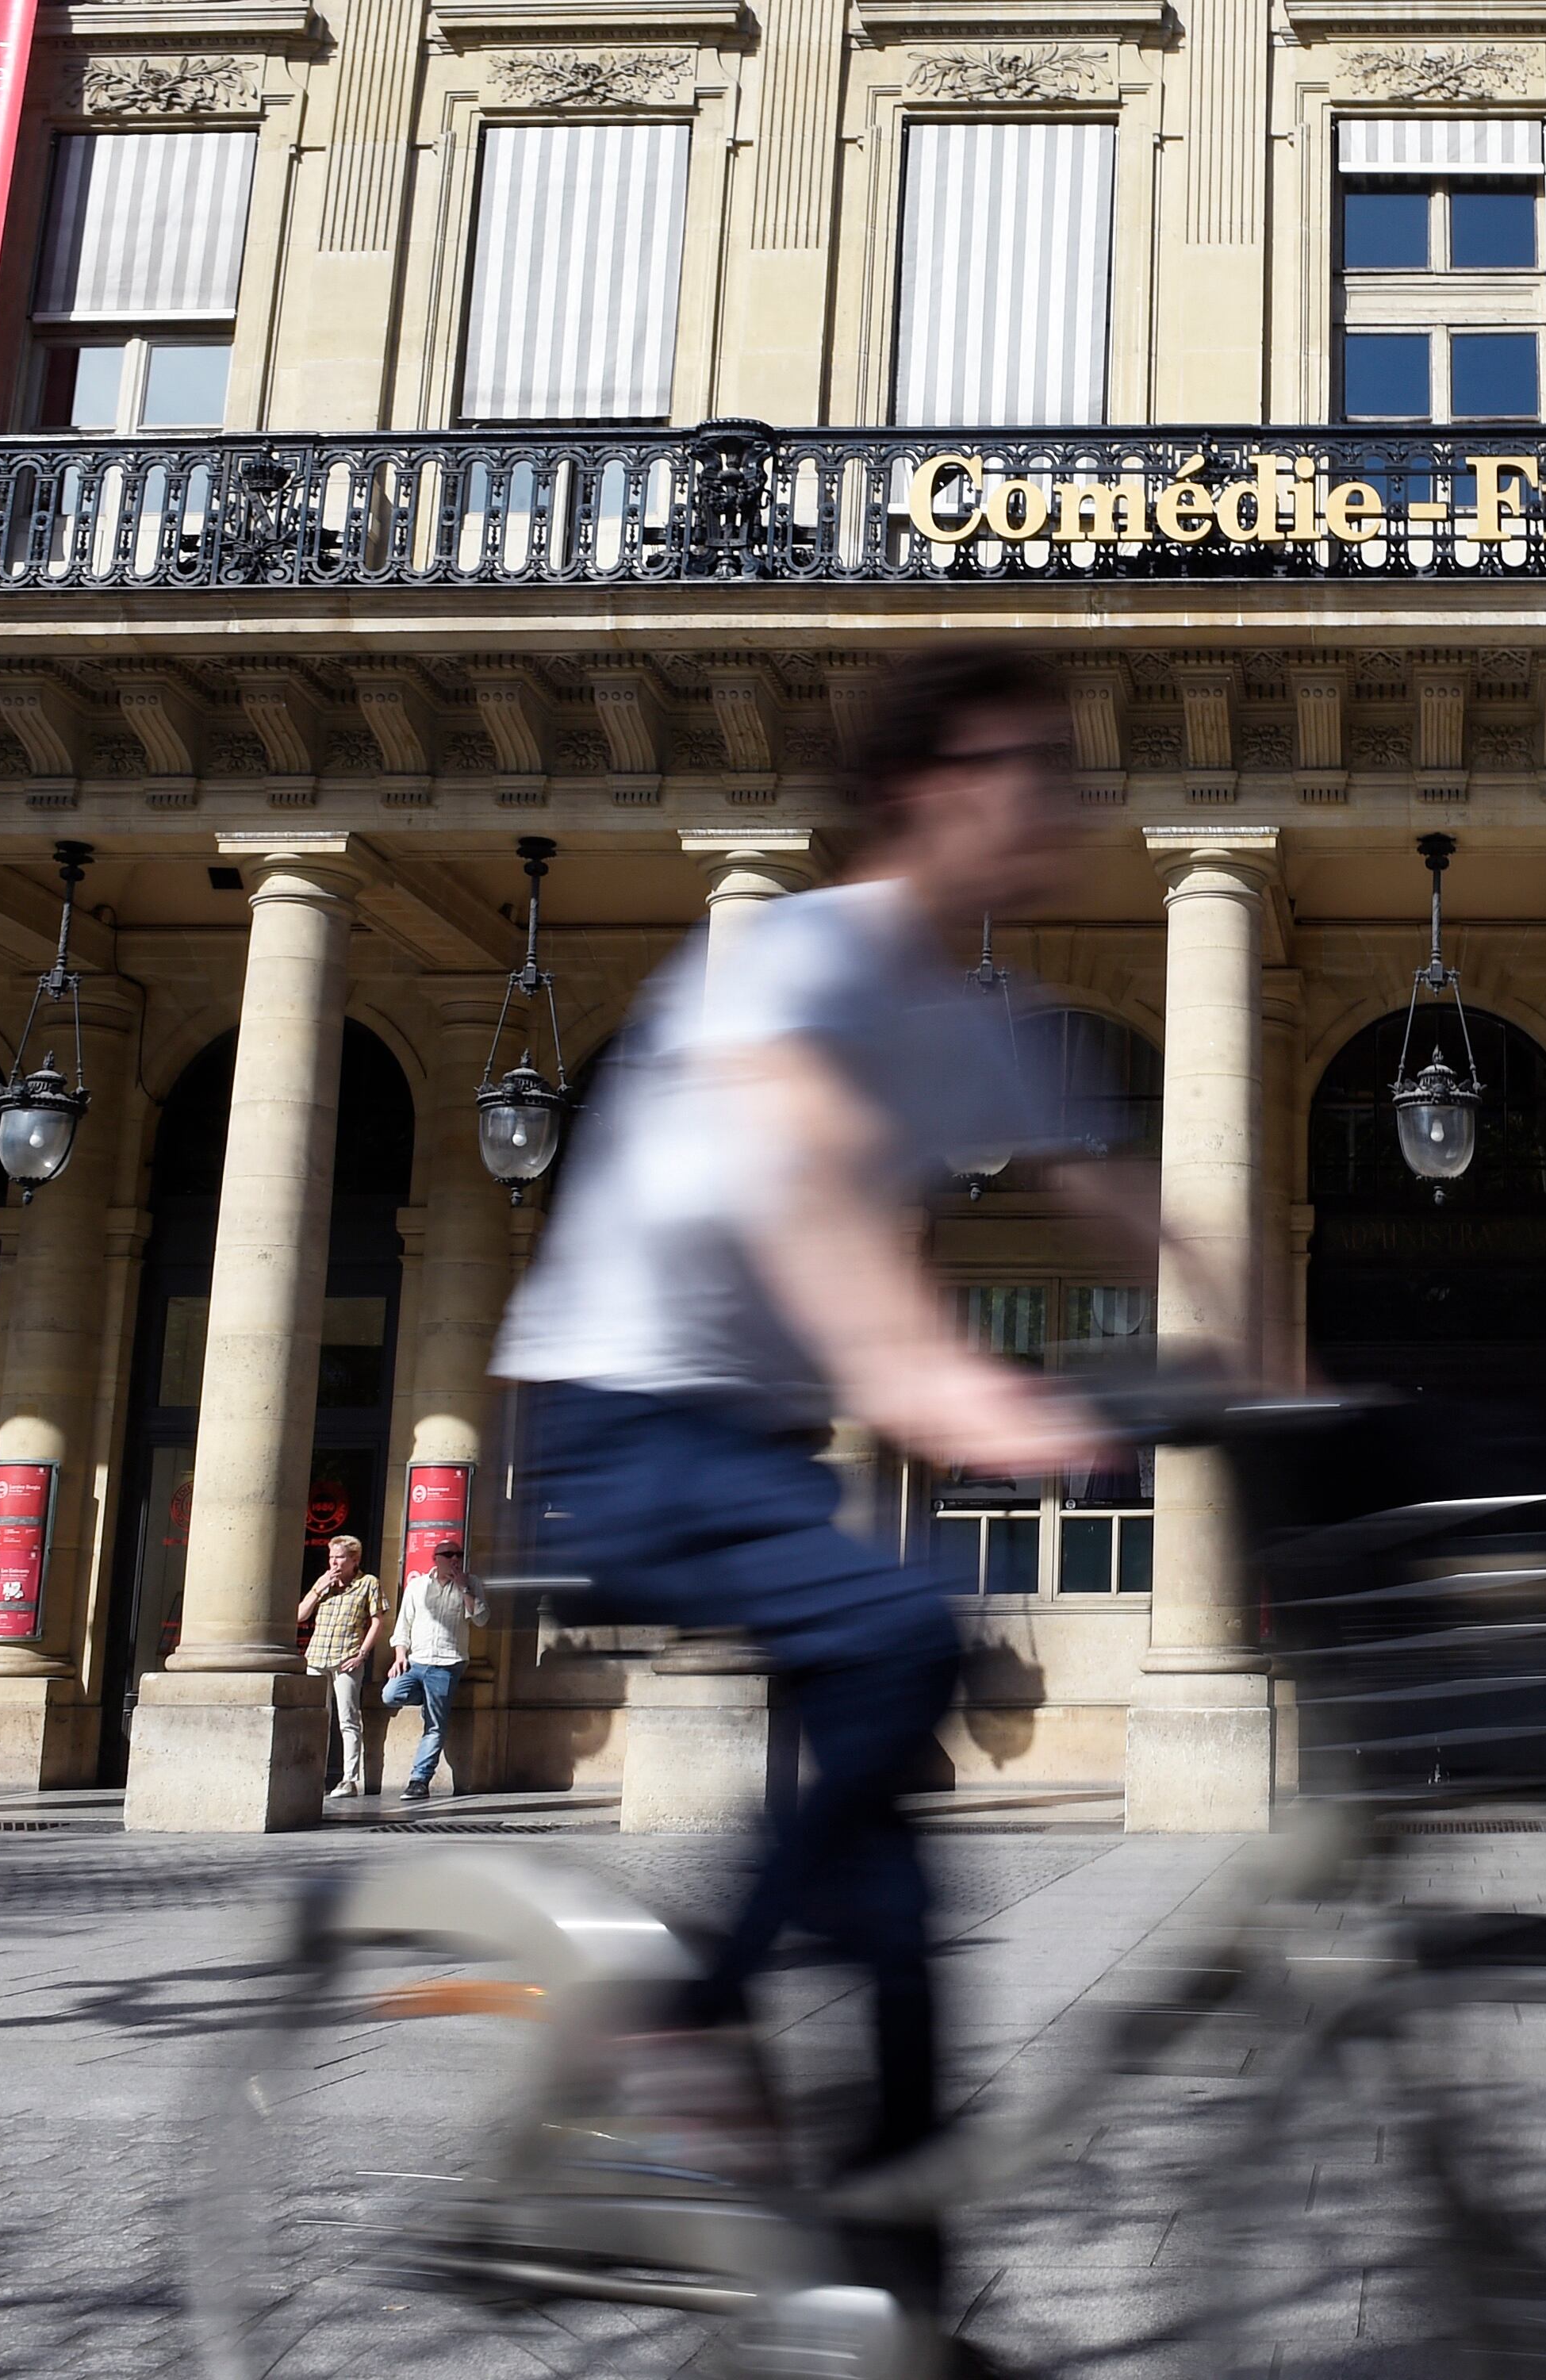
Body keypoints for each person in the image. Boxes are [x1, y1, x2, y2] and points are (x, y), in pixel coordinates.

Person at [492, 646, 1130, 2282]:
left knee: (903, 1918)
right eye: (1023, 765)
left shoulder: (978, 1019)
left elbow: (1133, 1206)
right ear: (929, 793)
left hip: (759, 1457)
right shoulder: (786, 960)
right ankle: (664, 2063)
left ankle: (896, 2301)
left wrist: (1305, 1387)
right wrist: (947, 1385)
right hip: (622, 1427)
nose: (1055, 798)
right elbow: (808, 1186)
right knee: (904, 1631)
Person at [382, 1537, 487, 1802]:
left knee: (435, 1725)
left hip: (447, 1663)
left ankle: (419, 1780)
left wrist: (465, 1590)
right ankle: (428, 1698)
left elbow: (482, 1619)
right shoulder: (417, 1586)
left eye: (458, 1555)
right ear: (436, 1559)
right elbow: (403, 1625)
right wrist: (399, 1656)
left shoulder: (471, 1583)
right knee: (390, 1695)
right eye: (448, 1555)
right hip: (417, 1661)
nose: (455, 1560)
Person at [295, 1535, 385, 1800]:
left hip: (346, 1657)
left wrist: (363, 1654)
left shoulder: (368, 1583)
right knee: (317, 1718)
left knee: (347, 1718)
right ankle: (315, 1775)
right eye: (332, 1556)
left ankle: (349, 1779)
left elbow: (377, 1621)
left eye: (340, 1557)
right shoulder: (324, 1584)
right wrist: (318, 1589)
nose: (334, 1561)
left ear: (354, 1560)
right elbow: (300, 1616)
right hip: (317, 1656)